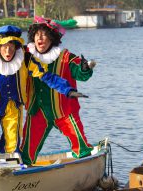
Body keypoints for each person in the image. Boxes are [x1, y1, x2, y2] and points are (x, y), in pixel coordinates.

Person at [0, 25, 86, 161]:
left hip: (13, 107)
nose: (8, 51)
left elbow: (47, 76)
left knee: (13, 146)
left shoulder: (25, 59)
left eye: (11, 46)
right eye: (4, 46)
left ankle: (11, 171)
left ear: (16, 46)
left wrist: (68, 90)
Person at [20, 16, 96, 165]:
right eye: (37, 34)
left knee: (80, 144)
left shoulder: (65, 57)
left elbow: (80, 72)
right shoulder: (25, 56)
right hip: (37, 110)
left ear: (52, 38)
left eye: (44, 34)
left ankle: (87, 168)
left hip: (64, 110)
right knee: (27, 150)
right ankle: (23, 174)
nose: (40, 38)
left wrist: (85, 68)